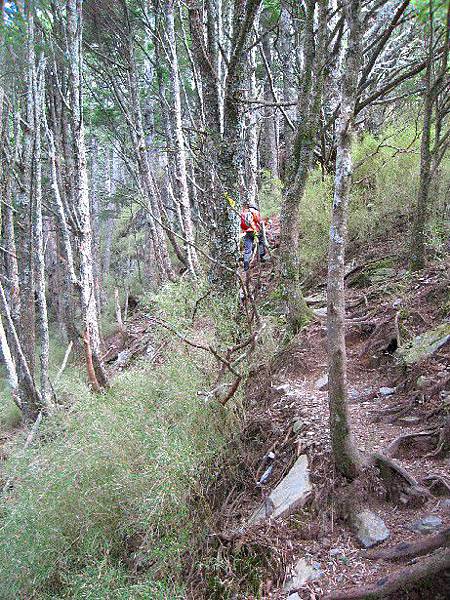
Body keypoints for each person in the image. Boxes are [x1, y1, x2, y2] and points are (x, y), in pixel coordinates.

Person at [240, 201, 266, 271]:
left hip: (247, 232)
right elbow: (258, 220)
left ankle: (246, 262)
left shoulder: (244, 213)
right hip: (255, 231)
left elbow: (242, 225)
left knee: (247, 249)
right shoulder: (255, 212)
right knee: (261, 242)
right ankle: (261, 257)